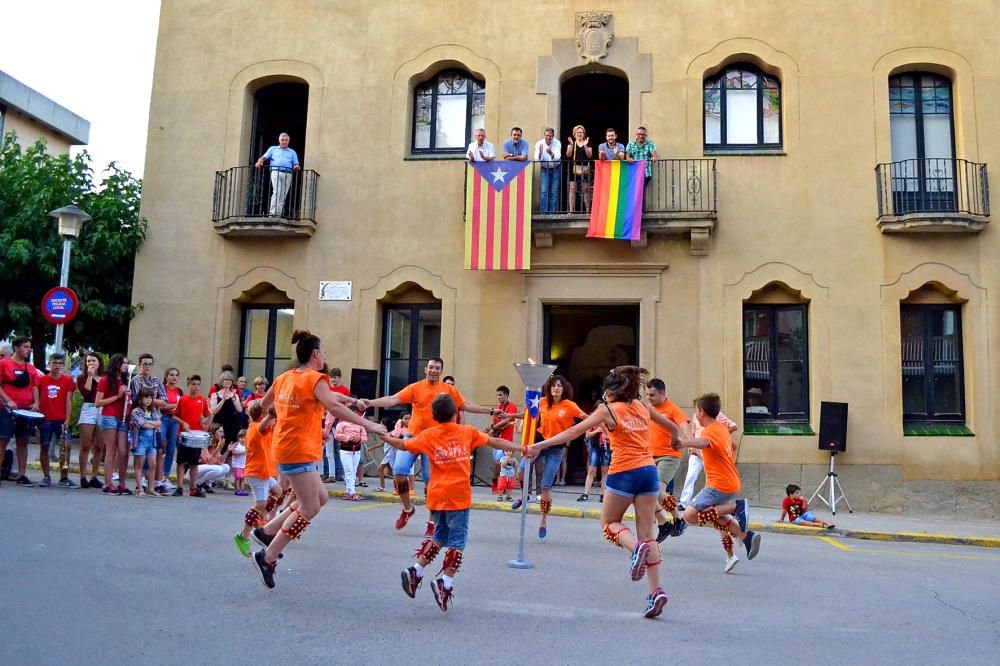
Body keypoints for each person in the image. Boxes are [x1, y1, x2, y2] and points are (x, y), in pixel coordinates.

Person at [529, 366, 678, 619]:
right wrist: (676, 440)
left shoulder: (607, 410)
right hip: (648, 472)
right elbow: (671, 426)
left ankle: (634, 548)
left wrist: (538, 445)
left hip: (624, 472)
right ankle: (656, 591)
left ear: (610, 392)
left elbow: (573, 432)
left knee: (609, 523)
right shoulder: (642, 407)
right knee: (648, 534)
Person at [249, 330, 388, 589]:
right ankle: (267, 557)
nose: (325, 356)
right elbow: (332, 407)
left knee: (320, 498)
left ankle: (266, 532)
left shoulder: (285, 378)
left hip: (287, 447)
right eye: (323, 351)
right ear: (315, 355)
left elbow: (266, 404)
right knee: (310, 507)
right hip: (297, 450)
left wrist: (352, 400)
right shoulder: (315, 378)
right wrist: (370, 425)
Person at [382, 394, 526, 612]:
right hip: (458, 497)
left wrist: (382, 435)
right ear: (456, 414)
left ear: (434, 416)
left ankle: (416, 570)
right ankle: (445, 583)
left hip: (437, 496)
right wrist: (523, 448)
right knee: (457, 541)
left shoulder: (428, 434)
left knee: (440, 535)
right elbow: (495, 441)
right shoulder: (466, 432)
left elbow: (403, 445)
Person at [358, 358, 497, 537]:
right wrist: (371, 402)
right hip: (414, 436)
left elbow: (465, 405)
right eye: (431, 367)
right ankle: (408, 509)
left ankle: (431, 521)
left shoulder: (447, 390)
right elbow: (393, 399)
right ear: (425, 369)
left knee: (431, 481)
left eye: (437, 368)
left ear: (441, 371)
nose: (433, 371)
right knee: (399, 470)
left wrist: (491, 411)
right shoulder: (415, 388)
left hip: (435, 440)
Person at [677, 393, 761, 574]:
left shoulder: (709, 431)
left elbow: (703, 441)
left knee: (689, 515)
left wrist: (683, 443)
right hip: (729, 481)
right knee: (715, 517)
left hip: (719, 484)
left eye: (695, 412)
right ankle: (744, 539)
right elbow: (731, 447)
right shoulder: (722, 429)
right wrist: (708, 454)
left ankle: (737, 507)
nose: (695, 416)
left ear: (701, 412)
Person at [513, 375, 585, 540]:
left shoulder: (570, 406)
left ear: (564, 388)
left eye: (559, 386)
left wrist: (600, 424)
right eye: (553, 386)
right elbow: (526, 413)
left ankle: (543, 521)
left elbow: (585, 418)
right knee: (521, 471)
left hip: (555, 449)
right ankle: (526, 496)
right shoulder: (543, 401)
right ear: (549, 388)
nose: (556, 388)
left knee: (546, 486)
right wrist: (509, 417)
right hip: (538, 445)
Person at [233, 400, 281, 558]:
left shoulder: (265, 428)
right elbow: (262, 426)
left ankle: (261, 520)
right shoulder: (255, 428)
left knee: (277, 491)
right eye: (267, 414)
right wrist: (271, 415)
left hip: (264, 472)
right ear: (263, 415)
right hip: (257, 472)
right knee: (260, 503)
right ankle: (243, 536)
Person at [646, 378, 690, 542]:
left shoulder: (672, 409)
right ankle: (664, 524)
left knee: (658, 491)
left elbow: (684, 424)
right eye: (647, 395)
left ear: (662, 394)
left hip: (669, 456)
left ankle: (679, 519)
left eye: (652, 395)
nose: (649, 398)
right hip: (649, 456)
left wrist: (690, 441)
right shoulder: (648, 408)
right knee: (645, 493)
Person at [0, 336, 40, 487]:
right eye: (25, 346)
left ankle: (22, 475)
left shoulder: (30, 368)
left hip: (25, 410)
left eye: (30, 347)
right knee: (2, 441)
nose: (28, 350)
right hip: (6, 410)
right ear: (16, 348)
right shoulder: (4, 364)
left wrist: (36, 402)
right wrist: (8, 400)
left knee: (23, 442)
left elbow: (35, 387)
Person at [130, 353, 171, 489]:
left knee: (158, 450)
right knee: (141, 454)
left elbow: (165, 401)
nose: (147, 366)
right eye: (144, 364)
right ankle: (140, 482)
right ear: (140, 365)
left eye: (150, 364)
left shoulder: (157, 381)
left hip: (155, 416)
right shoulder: (136, 380)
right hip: (141, 418)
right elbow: (137, 399)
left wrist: (149, 400)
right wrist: (152, 401)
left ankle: (152, 483)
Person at [38, 352, 77, 487]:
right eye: (55, 363)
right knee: (44, 446)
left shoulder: (67, 381)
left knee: (65, 448)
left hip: (61, 420)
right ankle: (46, 476)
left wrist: (67, 419)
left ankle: (64, 477)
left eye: (60, 363)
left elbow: (69, 401)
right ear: (49, 364)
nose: (57, 366)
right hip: (45, 419)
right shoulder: (41, 380)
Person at [97, 354, 131, 495]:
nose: (125, 365)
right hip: (109, 416)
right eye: (123, 363)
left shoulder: (125, 381)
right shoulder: (105, 380)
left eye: (126, 363)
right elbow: (98, 402)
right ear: (116, 364)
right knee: (111, 449)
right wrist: (117, 396)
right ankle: (108, 483)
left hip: (123, 418)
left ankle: (122, 483)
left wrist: (129, 395)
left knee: (123, 451)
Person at [172, 374, 211, 497]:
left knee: (194, 463)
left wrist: (204, 421)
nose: (196, 387)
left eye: (198, 385)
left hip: (197, 436)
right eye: (193, 384)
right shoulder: (182, 399)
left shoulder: (202, 401)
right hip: (183, 434)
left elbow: (208, 416)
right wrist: (183, 423)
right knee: (181, 462)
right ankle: (179, 487)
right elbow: (174, 415)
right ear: (188, 386)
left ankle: (194, 488)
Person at [254, 132, 301, 217]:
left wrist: (297, 167)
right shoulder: (273, 149)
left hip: (288, 174)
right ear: (279, 141)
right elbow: (264, 157)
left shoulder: (292, 152)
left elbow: (296, 164)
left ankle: (278, 214)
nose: (284, 142)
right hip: (276, 172)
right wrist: (259, 162)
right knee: (277, 191)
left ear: (288, 141)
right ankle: (272, 213)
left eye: (286, 140)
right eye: (282, 140)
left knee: (283, 195)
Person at [76, 352, 105, 489]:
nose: (91, 363)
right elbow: (86, 393)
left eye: (93, 360)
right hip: (89, 408)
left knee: (99, 445)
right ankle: (83, 476)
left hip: (102, 409)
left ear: (99, 362)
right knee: (86, 444)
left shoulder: (105, 378)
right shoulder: (82, 377)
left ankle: (94, 476)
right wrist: (90, 376)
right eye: (88, 361)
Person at [129, 389, 162, 497]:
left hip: (152, 441)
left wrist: (148, 422)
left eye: (150, 398)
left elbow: (159, 422)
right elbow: (142, 424)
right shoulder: (136, 411)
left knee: (153, 465)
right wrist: (153, 424)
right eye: (145, 397)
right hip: (140, 441)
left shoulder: (152, 411)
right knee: (139, 465)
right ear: (140, 398)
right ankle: (139, 488)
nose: (148, 400)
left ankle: (150, 488)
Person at [156, 367, 183, 494]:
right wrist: (174, 405)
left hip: (174, 420)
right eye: (171, 375)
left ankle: (165, 477)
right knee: (160, 445)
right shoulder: (161, 389)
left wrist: (170, 406)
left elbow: (180, 407)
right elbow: (162, 406)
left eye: (176, 375)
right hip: (163, 418)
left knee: (172, 448)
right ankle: (153, 474)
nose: (174, 377)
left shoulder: (180, 391)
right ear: (166, 377)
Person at [490, 386, 518, 493]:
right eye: (497, 395)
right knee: (498, 464)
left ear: (506, 395)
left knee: (500, 463)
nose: (498, 397)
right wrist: (492, 429)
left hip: (506, 441)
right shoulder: (497, 408)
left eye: (500, 395)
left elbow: (508, 419)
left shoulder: (512, 407)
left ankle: (502, 486)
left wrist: (494, 428)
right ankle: (496, 483)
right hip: (497, 439)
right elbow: (494, 422)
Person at [335, 410, 367, 501]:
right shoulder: (341, 424)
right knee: (348, 470)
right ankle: (352, 492)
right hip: (345, 451)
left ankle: (348, 491)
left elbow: (365, 436)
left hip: (356, 451)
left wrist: (359, 439)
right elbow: (337, 435)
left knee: (353, 471)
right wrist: (349, 438)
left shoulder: (360, 425)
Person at [209, 370, 244, 450]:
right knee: (217, 448)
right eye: (226, 379)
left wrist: (234, 399)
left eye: (230, 380)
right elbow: (213, 411)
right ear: (221, 381)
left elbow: (239, 410)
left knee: (229, 448)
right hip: (218, 425)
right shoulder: (215, 395)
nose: (228, 381)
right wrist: (223, 400)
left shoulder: (234, 395)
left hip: (231, 425)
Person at [577, 422, 610, 503]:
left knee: (605, 471)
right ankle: (585, 494)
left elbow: (616, 435)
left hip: (606, 447)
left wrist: (607, 435)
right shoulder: (594, 420)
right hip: (595, 447)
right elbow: (587, 435)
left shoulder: (609, 420)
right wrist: (597, 430)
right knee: (591, 470)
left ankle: (603, 495)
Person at [565, 124, 593, 212]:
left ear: (584, 134)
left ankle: (587, 210)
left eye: (581, 132)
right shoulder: (571, 144)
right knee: (572, 189)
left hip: (585, 168)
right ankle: (571, 210)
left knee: (586, 189)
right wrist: (572, 145)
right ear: (574, 134)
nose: (579, 134)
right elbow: (568, 155)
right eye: (577, 132)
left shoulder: (588, 143)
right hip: (574, 168)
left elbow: (589, 155)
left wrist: (585, 145)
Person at [197, 424, 232, 492]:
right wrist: (218, 448)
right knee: (218, 469)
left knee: (226, 467)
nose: (222, 434)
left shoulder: (215, 443)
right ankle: (198, 483)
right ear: (213, 432)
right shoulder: (205, 442)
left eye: (222, 432)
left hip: (205, 469)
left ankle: (204, 483)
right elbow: (209, 461)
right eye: (220, 431)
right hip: (195, 470)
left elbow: (219, 461)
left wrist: (228, 451)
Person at [534, 127, 561, 212]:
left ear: (553, 136)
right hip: (544, 169)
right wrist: (540, 154)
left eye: (550, 136)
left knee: (554, 192)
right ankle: (543, 212)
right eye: (546, 135)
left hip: (556, 168)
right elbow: (537, 159)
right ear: (544, 135)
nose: (548, 137)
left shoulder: (557, 143)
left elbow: (557, 157)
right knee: (544, 191)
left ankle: (551, 212)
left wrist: (551, 153)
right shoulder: (539, 143)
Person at [231, 429, 249, 496]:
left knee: (243, 478)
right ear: (238, 438)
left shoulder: (247, 446)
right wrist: (243, 452)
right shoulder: (237, 445)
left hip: (244, 465)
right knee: (238, 478)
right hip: (237, 465)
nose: (243, 439)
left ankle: (242, 489)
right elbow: (234, 452)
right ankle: (237, 490)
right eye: (241, 437)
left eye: (245, 438)